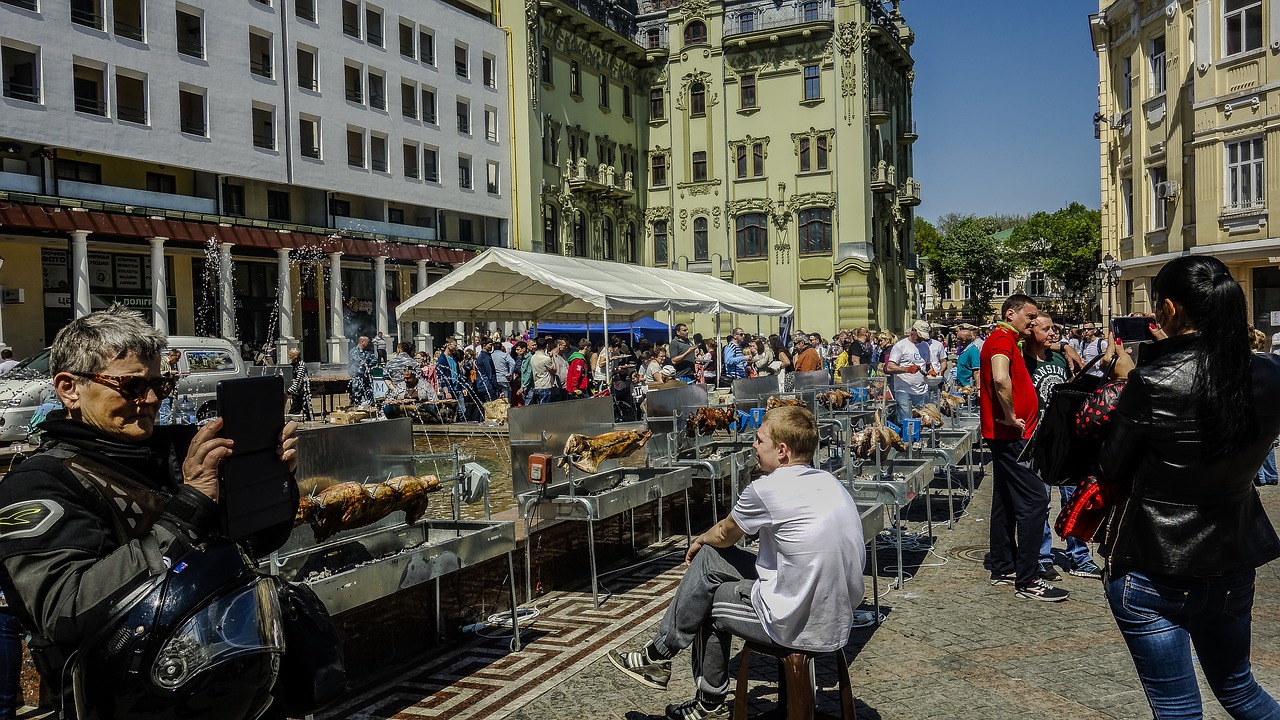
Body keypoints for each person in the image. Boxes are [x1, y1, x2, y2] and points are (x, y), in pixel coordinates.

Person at [0, 305, 300, 719]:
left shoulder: (178, 452)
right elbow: (65, 608)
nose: (152, 399)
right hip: (125, 701)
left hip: (238, 689)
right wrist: (191, 504)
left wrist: (272, 478)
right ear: (69, 388)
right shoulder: (39, 483)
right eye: (131, 386)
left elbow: (259, 540)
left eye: (161, 384)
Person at [1094, 256, 1280, 718]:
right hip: (1231, 554)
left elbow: (1110, 466)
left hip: (1152, 560)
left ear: (1171, 310)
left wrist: (1125, 385)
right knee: (1239, 689)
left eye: (1157, 306)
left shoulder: (1152, 381)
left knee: (1177, 707)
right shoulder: (1271, 372)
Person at [608, 406, 865, 720]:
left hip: (799, 621)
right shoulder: (831, 483)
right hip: (839, 615)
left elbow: (725, 534)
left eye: (759, 441)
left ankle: (701, 697)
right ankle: (660, 658)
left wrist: (701, 538)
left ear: (782, 451)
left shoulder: (769, 488)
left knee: (707, 601)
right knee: (710, 563)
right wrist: (708, 545)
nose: (753, 447)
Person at [981, 295, 1069, 602]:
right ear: (1011, 314)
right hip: (1011, 435)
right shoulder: (1002, 339)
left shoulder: (1008, 338)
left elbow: (1038, 348)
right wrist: (1009, 416)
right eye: (1029, 317)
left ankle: (1004, 565)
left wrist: (1064, 347)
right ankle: (1029, 579)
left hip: (1006, 435)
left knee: (1004, 499)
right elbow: (1000, 378)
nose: (1032, 322)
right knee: (1034, 501)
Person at [1023, 317, 1102, 581]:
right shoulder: (1022, 361)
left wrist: (1066, 347)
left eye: (1054, 329)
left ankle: (1079, 555)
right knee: (1041, 502)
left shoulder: (1059, 359)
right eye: (1046, 329)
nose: (1052, 333)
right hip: (1037, 441)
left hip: (1066, 441)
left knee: (1075, 499)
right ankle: (1043, 557)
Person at [885, 320, 933, 424]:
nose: (922, 338)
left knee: (924, 420)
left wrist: (931, 372)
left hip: (922, 390)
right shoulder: (900, 346)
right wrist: (906, 369)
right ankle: (907, 439)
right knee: (907, 421)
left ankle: (919, 439)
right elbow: (890, 367)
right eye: (920, 335)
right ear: (913, 331)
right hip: (904, 390)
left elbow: (927, 365)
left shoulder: (925, 346)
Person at [348, 335, 377, 406]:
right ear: (362, 342)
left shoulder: (368, 352)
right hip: (357, 377)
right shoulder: (354, 351)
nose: (369, 343)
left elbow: (375, 360)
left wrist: (368, 363)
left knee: (369, 395)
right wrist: (367, 361)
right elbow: (360, 361)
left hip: (366, 378)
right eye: (367, 342)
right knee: (356, 396)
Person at [286, 348, 313, 420]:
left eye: (290, 355)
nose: (289, 356)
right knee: (297, 410)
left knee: (300, 410)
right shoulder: (292, 365)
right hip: (296, 392)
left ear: (295, 356)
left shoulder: (301, 365)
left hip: (301, 392)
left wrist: (289, 391)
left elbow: (298, 381)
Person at [954, 323, 982, 389]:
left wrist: (978, 388)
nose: (956, 340)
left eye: (958, 339)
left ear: (964, 341)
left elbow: (977, 371)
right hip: (960, 386)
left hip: (968, 387)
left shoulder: (973, 351)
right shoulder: (963, 349)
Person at [530, 336, 556, 404]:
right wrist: (552, 358)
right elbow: (554, 370)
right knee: (545, 410)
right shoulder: (545, 358)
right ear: (546, 346)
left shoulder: (533, 357)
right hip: (545, 386)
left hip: (537, 385)